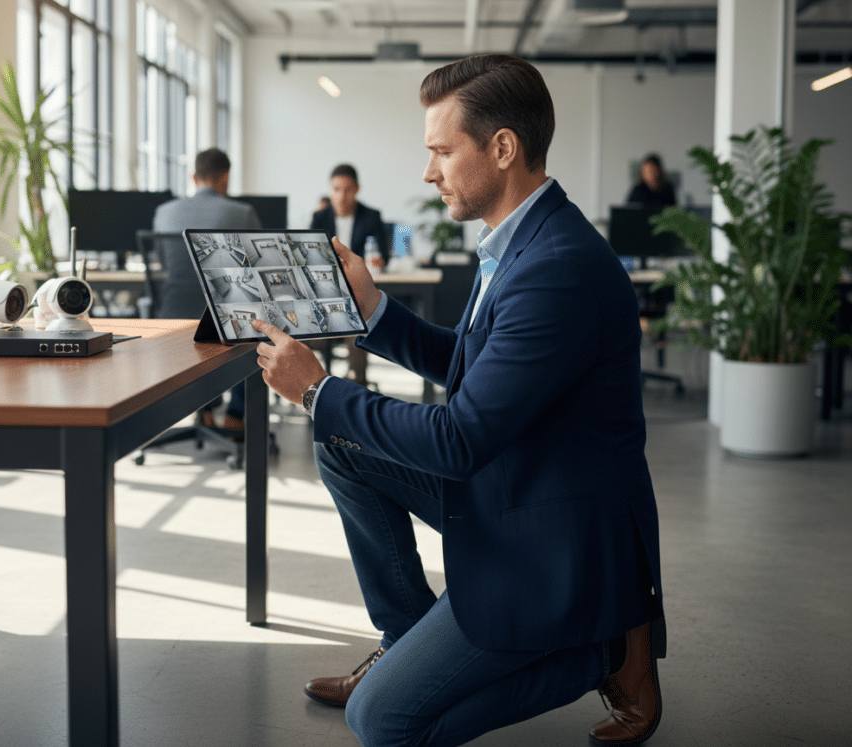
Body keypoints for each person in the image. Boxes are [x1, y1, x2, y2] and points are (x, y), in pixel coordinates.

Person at [250, 54, 665, 747]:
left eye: (441, 150)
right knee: (341, 442)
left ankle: (597, 652)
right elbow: (475, 370)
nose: (428, 170)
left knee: (380, 719)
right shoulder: (517, 239)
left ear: (502, 148)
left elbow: (460, 438)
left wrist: (318, 389)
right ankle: (408, 636)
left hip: (549, 532)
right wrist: (374, 309)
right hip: (515, 477)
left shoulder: (555, 268)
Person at [152, 147, 261, 431]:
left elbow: (163, 264)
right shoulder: (242, 213)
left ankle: (206, 409)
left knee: (199, 332)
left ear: (193, 177)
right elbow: (256, 269)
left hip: (172, 317)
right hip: (223, 319)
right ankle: (236, 414)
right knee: (258, 318)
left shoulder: (164, 212)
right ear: (225, 177)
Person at [310, 164, 391, 386]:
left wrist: (380, 260)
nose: (341, 196)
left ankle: (358, 382)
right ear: (330, 189)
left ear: (357, 189)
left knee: (354, 320)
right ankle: (320, 382)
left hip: (358, 291)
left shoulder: (371, 216)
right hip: (325, 292)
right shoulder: (319, 217)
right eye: (336, 189)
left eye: (347, 190)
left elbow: (385, 254)